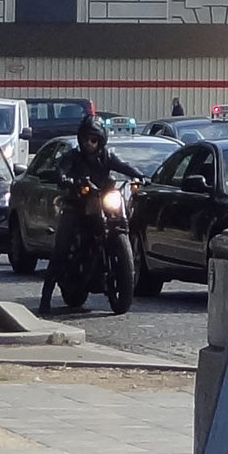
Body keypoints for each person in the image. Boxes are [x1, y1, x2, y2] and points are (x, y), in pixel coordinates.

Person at [38, 117, 132, 315]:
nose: (89, 143)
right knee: (61, 249)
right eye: (86, 139)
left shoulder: (106, 156)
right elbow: (60, 169)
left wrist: (141, 176)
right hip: (76, 207)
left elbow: (124, 166)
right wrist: (64, 178)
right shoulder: (72, 156)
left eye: (93, 139)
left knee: (119, 221)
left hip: (101, 203)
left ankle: (117, 275)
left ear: (100, 141)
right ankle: (45, 298)